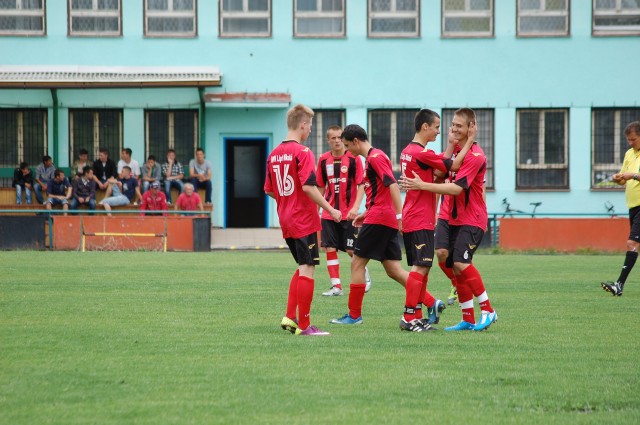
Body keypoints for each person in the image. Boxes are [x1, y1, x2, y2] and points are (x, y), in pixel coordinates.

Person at [400, 108, 497, 332]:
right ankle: (467, 317)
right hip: (446, 216)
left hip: (470, 218)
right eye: (452, 125)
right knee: (443, 257)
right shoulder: (451, 152)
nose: (452, 129)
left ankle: (487, 309)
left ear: (471, 128)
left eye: (459, 126)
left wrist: (423, 185)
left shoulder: (475, 156)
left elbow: (455, 187)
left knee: (459, 263)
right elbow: (441, 172)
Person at [328, 124, 418, 329]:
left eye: (348, 145)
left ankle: (354, 315)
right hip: (379, 216)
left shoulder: (375, 158)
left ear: (356, 141)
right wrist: (365, 213)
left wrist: (399, 216)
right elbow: (382, 195)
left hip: (380, 219)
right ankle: (432, 302)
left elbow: (393, 185)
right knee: (393, 269)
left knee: (357, 263)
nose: (348, 150)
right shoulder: (375, 157)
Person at [264, 104, 341, 337]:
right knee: (308, 268)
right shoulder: (303, 152)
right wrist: (330, 208)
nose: (309, 131)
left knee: (301, 267)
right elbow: (309, 186)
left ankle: (290, 316)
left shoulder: (274, 153)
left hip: (286, 218)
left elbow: (269, 189)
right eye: (310, 126)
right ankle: (305, 326)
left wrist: (288, 199)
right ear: (303, 125)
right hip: (303, 219)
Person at [316, 125, 367, 297]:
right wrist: (317, 211)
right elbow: (321, 188)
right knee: (329, 248)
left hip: (349, 214)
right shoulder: (323, 160)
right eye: (333, 138)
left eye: (339, 137)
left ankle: (365, 276)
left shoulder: (353, 158)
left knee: (352, 250)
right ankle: (336, 286)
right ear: (328, 140)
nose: (337, 141)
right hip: (329, 214)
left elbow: (361, 184)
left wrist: (355, 208)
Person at [602, 121, 640, 296]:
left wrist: (633, 175)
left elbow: (632, 176)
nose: (630, 143)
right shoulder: (629, 154)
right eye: (628, 140)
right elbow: (624, 179)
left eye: (633, 139)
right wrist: (618, 178)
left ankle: (619, 285)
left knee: (632, 243)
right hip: (632, 206)